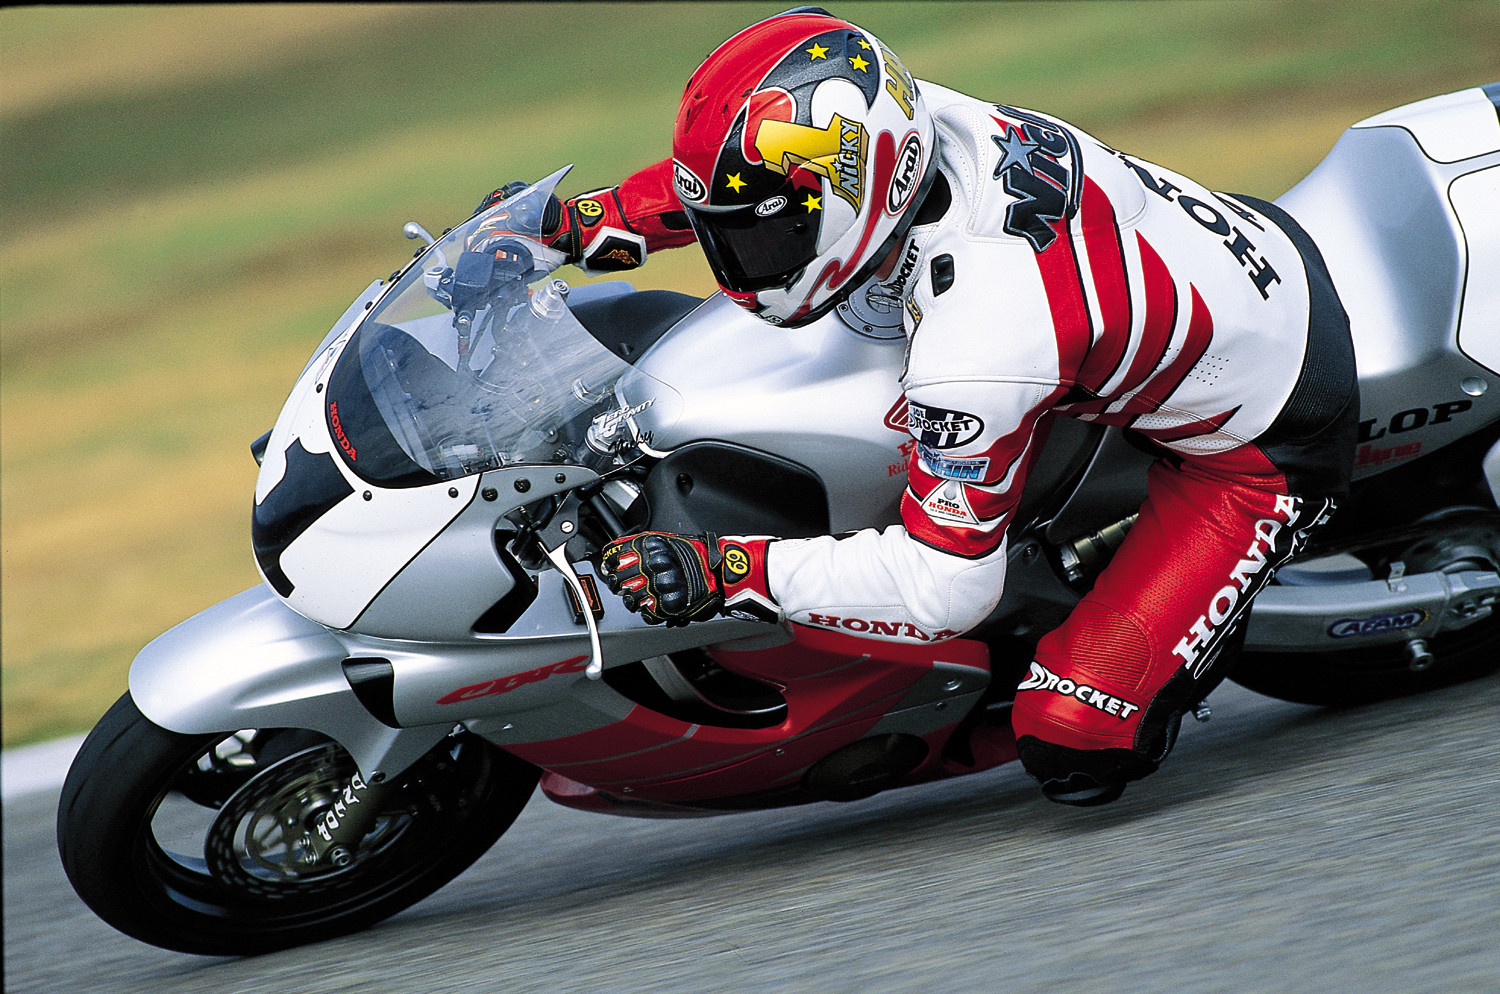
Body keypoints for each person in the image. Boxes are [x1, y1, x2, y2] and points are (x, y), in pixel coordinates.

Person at [481, 6, 1358, 805]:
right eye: (736, 230)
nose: (742, 259)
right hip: (1178, 276)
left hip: (1257, 439)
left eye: (767, 234)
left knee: (1076, 737)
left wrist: (733, 571)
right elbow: (752, 176)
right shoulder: (894, 119)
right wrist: (577, 223)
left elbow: (946, 590)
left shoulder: (983, 334)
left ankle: (1146, 642)